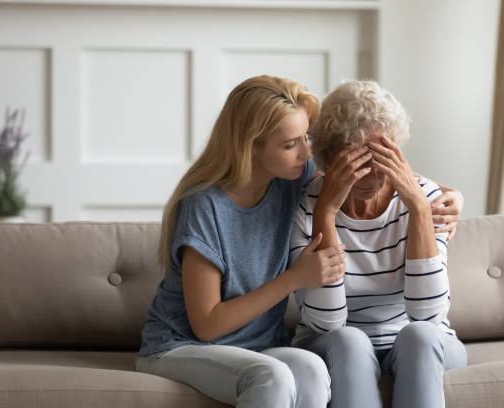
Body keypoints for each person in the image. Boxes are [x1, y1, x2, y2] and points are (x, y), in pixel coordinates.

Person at [135, 75, 463, 408]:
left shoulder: (291, 179)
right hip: (186, 345)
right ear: (250, 145)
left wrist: (449, 196)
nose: (308, 153)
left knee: (312, 368)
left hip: (261, 346)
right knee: (273, 376)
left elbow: (376, 171)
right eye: (291, 144)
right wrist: (294, 278)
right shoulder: (205, 206)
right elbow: (207, 326)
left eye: (306, 138)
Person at [290, 80, 467, 408]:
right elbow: (326, 323)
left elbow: (428, 316)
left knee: (420, 335)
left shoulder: (426, 198)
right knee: (348, 340)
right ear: (327, 158)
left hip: (424, 343)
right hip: (334, 343)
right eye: (356, 159)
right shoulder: (307, 207)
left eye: (381, 156)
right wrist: (326, 213)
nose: (372, 174)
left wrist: (417, 207)